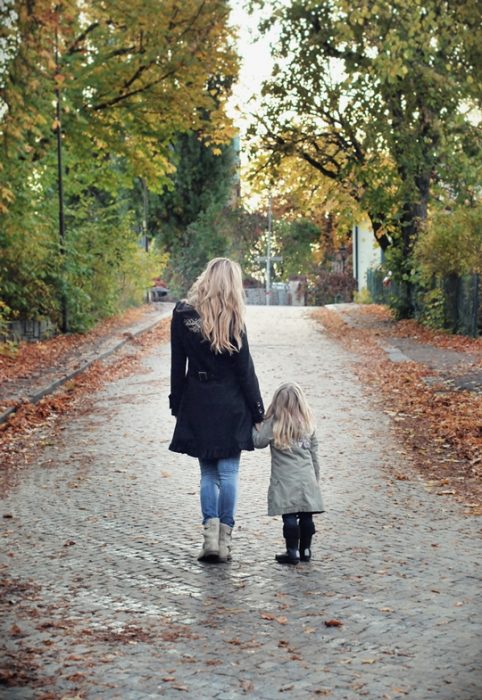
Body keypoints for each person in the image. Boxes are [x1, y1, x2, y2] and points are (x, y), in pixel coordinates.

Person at [169, 258, 264, 563]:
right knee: (229, 471)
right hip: (231, 403)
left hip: (198, 400)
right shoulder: (234, 319)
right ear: (232, 285)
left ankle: (210, 540)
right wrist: (258, 410)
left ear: (206, 279)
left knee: (208, 473)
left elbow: (176, 366)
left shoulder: (183, 316)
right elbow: (245, 372)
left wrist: (177, 403)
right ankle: (225, 539)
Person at [252, 382, 324, 565]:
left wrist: (255, 425)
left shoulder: (274, 423)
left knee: (290, 516)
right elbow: (314, 453)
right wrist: (315, 477)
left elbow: (258, 441)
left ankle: (292, 551)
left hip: (284, 479)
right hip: (307, 478)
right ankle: (306, 549)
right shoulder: (308, 424)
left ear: (277, 402)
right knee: (307, 515)